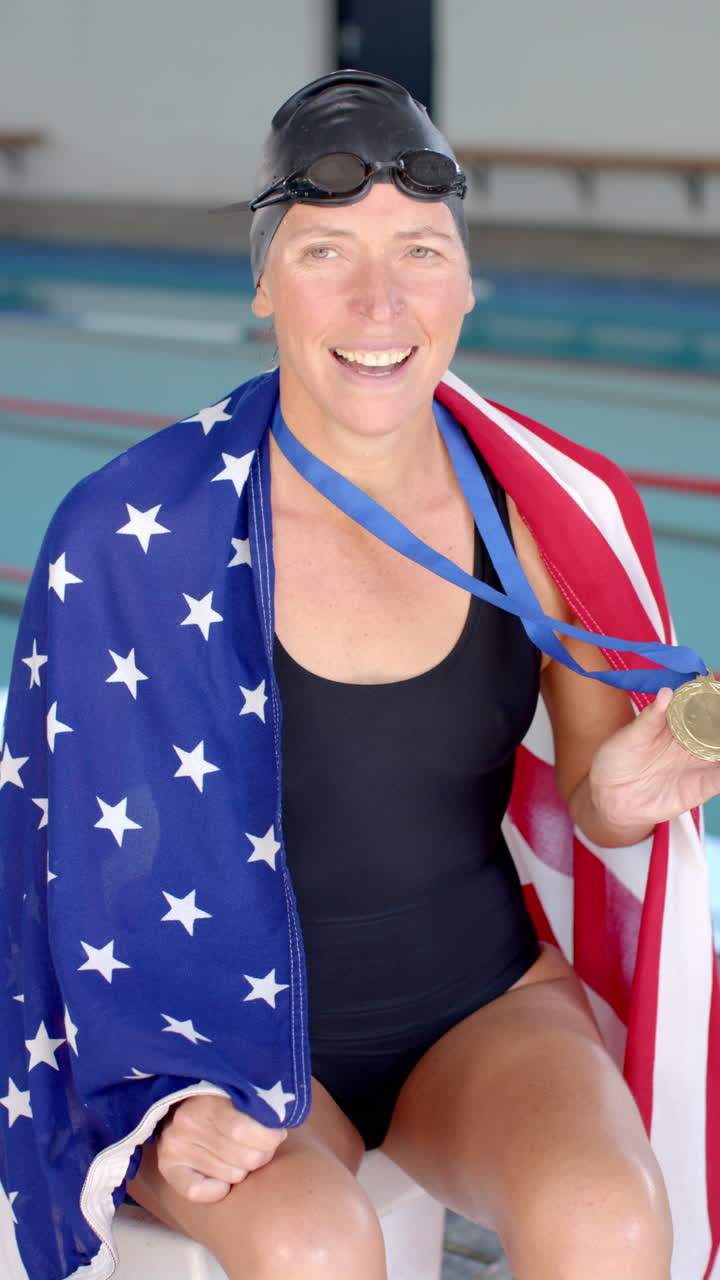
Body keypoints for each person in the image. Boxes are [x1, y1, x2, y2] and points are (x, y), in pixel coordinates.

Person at [1, 70, 719, 1280]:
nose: (380, 301)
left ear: (467, 281)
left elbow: (593, 797)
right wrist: (164, 1091)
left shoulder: (547, 513)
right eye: (326, 250)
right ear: (264, 282)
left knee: (606, 1218)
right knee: (311, 1246)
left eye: (421, 251)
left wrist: (623, 792)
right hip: (221, 1032)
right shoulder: (132, 532)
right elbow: (63, 869)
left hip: (483, 1006)